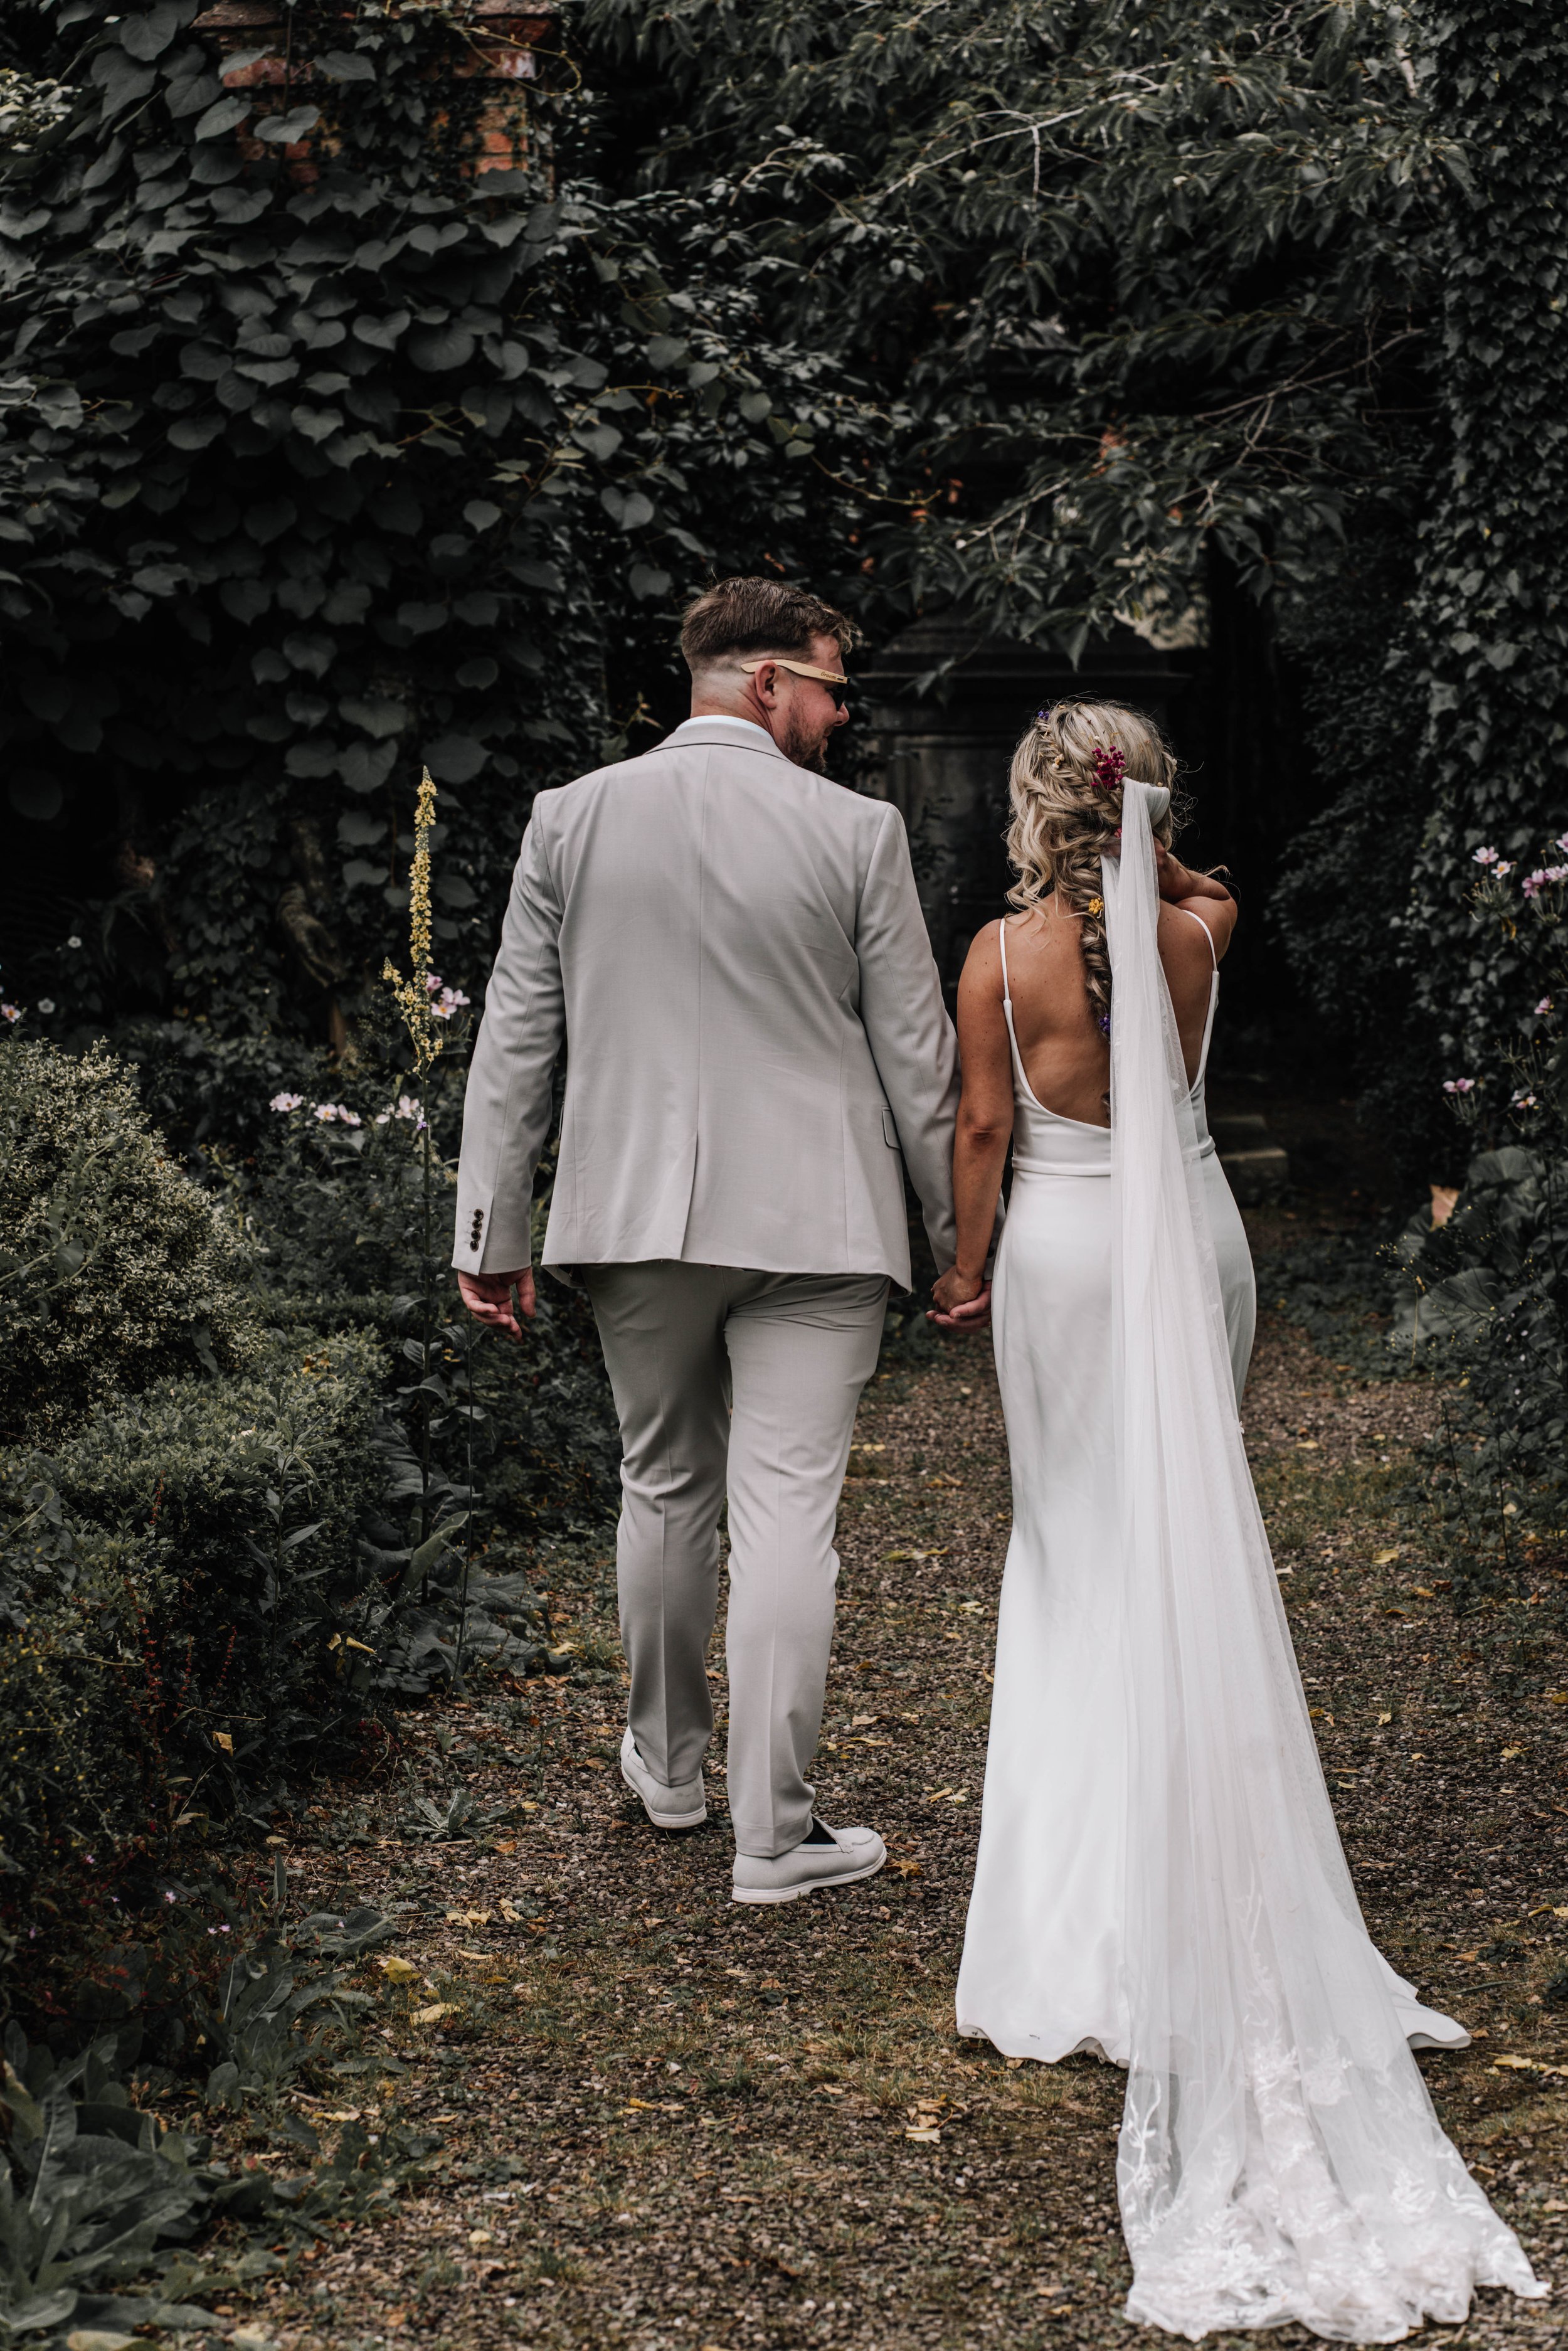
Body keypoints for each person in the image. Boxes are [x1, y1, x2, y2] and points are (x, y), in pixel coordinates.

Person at [933, 702, 1541, 2340]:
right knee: (1182, 1533)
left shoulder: (994, 958)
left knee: (1073, 1549)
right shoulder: (1203, 924)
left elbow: (984, 1127)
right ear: (1141, 807)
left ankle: (1089, 1914)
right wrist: (1156, 840)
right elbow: (1192, 886)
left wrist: (962, 1260)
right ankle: (1201, 1865)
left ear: (1030, 805)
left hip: (1061, 1251)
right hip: (1192, 1233)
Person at [452, 576, 977, 1904]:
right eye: (829, 686)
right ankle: (772, 1834)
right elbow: (915, 1054)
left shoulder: (568, 819)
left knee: (662, 1481)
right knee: (788, 1506)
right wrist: (954, 1236)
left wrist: (489, 1226)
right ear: (762, 683)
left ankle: (671, 1770)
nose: (839, 712)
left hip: (632, 1216)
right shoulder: (856, 832)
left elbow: (517, 1033)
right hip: (820, 1218)